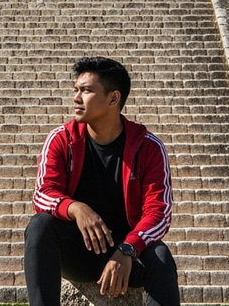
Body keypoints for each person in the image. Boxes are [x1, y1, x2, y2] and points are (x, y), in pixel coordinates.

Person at [24, 57, 181, 306]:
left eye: (86, 90)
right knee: (40, 226)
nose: (76, 97)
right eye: (76, 90)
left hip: (129, 256)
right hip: (79, 252)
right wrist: (76, 208)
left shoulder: (148, 147)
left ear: (113, 98)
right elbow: (43, 193)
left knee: (161, 255)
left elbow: (159, 213)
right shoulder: (61, 140)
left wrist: (128, 249)